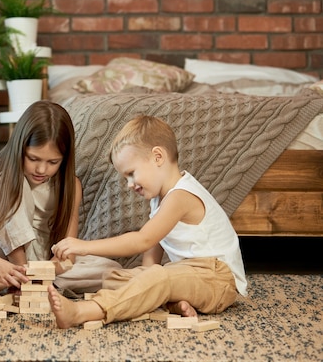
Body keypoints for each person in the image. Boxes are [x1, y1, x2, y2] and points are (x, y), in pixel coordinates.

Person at [48, 115, 247, 329]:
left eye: (131, 174)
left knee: (157, 278)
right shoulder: (159, 200)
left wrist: (84, 246)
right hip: (190, 274)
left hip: (217, 278)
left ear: (158, 157)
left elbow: (143, 240)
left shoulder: (180, 196)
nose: (130, 185)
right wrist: (140, 278)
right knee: (115, 278)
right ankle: (168, 302)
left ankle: (84, 312)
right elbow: (151, 260)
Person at [0, 100, 121, 294]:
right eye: (33, 158)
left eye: (53, 162)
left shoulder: (71, 186)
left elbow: (67, 256)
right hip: (1, 261)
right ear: (20, 147)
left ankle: (12, 281)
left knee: (113, 271)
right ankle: (15, 277)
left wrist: (42, 270)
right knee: (6, 181)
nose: (41, 169)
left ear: (64, 159)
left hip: (41, 264)